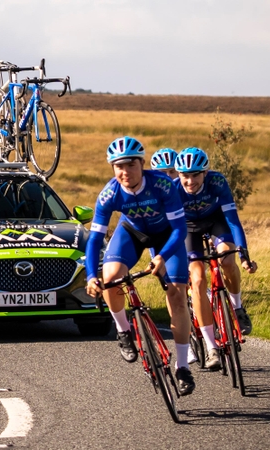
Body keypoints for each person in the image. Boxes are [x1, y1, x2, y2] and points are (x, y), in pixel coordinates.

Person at [85, 136, 196, 396]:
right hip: (131, 233)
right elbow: (95, 240)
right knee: (110, 278)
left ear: (142, 163)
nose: (125, 172)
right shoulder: (109, 194)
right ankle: (123, 331)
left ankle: (182, 367)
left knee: (177, 297)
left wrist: (162, 256)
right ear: (113, 168)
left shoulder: (162, 185)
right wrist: (91, 276)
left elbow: (180, 229)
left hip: (167, 236)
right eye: (119, 166)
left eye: (131, 165)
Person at [172, 147, 257, 370]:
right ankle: (211, 348)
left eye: (195, 175)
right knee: (198, 280)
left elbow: (233, 220)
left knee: (227, 261)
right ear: (178, 174)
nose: (189, 181)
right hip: (188, 230)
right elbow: (171, 229)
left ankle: (237, 307)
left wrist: (244, 253)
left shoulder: (218, 182)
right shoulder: (173, 191)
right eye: (184, 176)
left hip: (216, 221)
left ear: (205, 173)